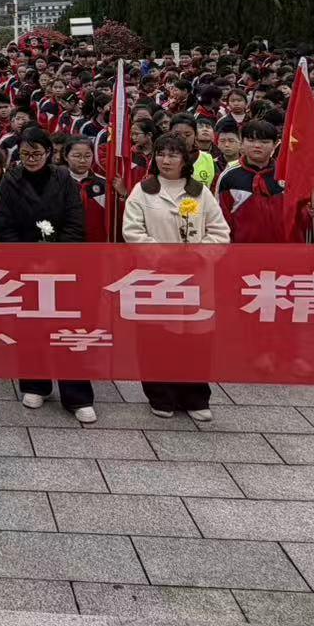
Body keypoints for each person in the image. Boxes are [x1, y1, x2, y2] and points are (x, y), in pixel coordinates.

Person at [122, 133, 230, 421]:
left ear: (185, 160)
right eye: (161, 154)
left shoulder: (200, 192)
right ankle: (161, 395)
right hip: (157, 278)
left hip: (196, 278)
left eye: (173, 155)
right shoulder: (142, 191)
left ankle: (195, 397)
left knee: (196, 338)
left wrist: (196, 255)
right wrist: (164, 256)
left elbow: (220, 232)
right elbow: (132, 231)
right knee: (156, 337)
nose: (166, 160)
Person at [0, 127, 94, 424]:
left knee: (67, 329)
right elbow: (4, 227)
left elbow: (76, 221)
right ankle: (35, 383)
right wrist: (28, 258)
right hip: (26, 267)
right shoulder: (10, 181)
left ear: (50, 153)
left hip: (62, 267)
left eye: (37, 153)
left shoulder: (63, 178)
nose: (31, 159)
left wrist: (57, 256)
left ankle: (76, 395)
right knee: (30, 325)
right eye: (25, 154)